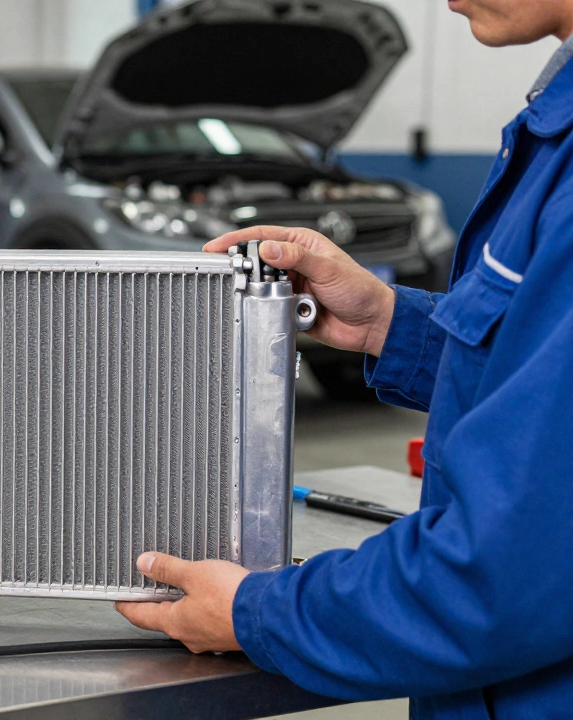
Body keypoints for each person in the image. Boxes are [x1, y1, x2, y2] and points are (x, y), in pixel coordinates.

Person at [115, 1, 573, 717]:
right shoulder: (553, 128)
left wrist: (256, 612)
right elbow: (536, 371)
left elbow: (498, 574)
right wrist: (390, 324)